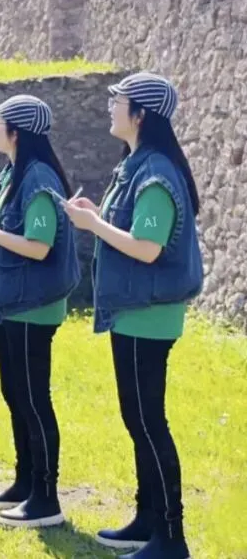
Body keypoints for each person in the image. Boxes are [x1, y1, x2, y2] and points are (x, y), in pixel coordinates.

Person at [65, 73, 201, 559]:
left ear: (140, 115)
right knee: (138, 419)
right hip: (136, 313)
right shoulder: (138, 165)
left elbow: (147, 248)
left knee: (148, 422)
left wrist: (92, 223)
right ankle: (148, 519)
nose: (110, 107)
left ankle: (171, 538)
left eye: (117, 100)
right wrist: (97, 215)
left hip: (148, 316)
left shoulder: (156, 174)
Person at [0, 96, 80, 529]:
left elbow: (39, 246)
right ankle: (25, 482)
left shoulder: (38, 178)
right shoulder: (14, 172)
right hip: (14, 307)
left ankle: (45, 498)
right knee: (15, 394)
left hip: (32, 309)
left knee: (32, 398)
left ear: (17, 132)